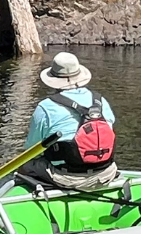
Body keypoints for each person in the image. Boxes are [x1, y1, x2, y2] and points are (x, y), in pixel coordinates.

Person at [22, 51, 120, 191]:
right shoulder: (100, 101)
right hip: (106, 172)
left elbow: (31, 151)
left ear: (54, 79)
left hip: (66, 178)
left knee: (24, 165)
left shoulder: (45, 107)